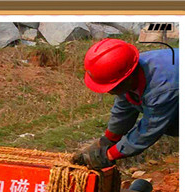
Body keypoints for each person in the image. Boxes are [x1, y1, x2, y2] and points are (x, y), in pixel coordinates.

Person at [72, 38, 179, 169]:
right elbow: (124, 105)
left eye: (111, 87)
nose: (108, 92)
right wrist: (108, 140)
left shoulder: (162, 89)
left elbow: (149, 130)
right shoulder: (129, 69)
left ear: (126, 79)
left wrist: (110, 155)